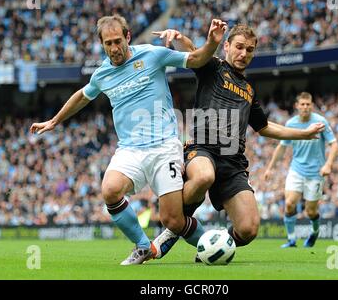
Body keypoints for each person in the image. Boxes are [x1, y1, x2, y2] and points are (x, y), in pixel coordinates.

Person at [30, 14, 227, 265]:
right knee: (110, 190)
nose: (114, 48)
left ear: (128, 37)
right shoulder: (102, 74)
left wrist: (212, 42)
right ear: (101, 44)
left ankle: (213, 245)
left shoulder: (153, 55)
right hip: (130, 150)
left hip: (164, 147)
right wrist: (55, 121)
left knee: (173, 221)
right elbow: (82, 96)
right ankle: (143, 246)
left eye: (117, 41)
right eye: (108, 43)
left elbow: (197, 59)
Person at [150, 25, 325, 260]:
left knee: (249, 229)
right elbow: (191, 51)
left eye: (250, 50)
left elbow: (264, 127)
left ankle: (212, 246)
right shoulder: (213, 67)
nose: (244, 54)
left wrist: (301, 133)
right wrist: (179, 38)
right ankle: (174, 227)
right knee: (203, 176)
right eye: (239, 47)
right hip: (202, 149)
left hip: (233, 162)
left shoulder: (249, 90)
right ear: (227, 47)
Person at [264, 92, 338, 248]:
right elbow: (281, 147)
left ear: (311, 105)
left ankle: (315, 231)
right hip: (296, 170)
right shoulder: (291, 123)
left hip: (316, 173)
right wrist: (270, 168)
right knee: (290, 204)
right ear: (297, 106)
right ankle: (291, 240)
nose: (305, 107)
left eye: (308, 104)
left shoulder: (320, 122)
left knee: (311, 212)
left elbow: (334, 144)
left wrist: (328, 164)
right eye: (302, 104)